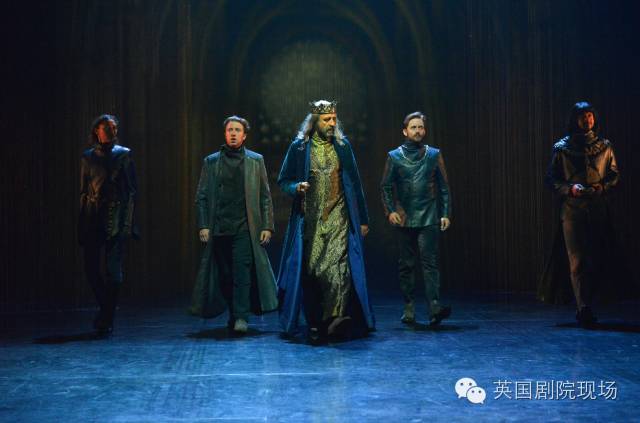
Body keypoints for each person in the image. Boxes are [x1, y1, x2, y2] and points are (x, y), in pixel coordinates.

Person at [277, 100, 375, 344]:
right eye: (326, 119)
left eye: (334, 119)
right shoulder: (300, 147)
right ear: (315, 122)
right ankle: (316, 321)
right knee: (313, 270)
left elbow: (355, 183)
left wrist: (363, 219)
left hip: (339, 217)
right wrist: (296, 187)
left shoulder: (342, 146)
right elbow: (283, 180)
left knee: (339, 267)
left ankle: (336, 317)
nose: (332, 123)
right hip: (310, 221)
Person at [189, 115, 278, 333]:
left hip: (245, 227)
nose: (233, 134)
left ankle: (241, 317)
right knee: (225, 275)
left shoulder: (255, 161)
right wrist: (203, 225)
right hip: (219, 227)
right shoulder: (212, 162)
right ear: (225, 133)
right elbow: (201, 196)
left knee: (242, 272)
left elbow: (265, 196)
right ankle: (233, 312)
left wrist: (267, 226)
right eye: (230, 130)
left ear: (244, 135)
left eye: (238, 130)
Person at [540, 101, 620, 327]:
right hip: (572, 210)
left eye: (590, 116)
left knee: (596, 258)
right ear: (575, 119)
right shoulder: (562, 148)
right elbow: (551, 179)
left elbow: (614, 174)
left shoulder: (605, 146)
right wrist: (570, 189)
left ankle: (589, 303)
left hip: (597, 209)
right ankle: (582, 306)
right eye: (583, 116)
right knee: (577, 260)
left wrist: (601, 187)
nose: (588, 120)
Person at [380, 111, 452, 326]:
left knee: (430, 263)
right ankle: (409, 307)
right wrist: (390, 211)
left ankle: (434, 307)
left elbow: (444, 187)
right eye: (413, 127)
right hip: (404, 217)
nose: (418, 131)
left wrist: (445, 213)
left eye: (420, 127)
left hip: (428, 215)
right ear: (405, 131)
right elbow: (385, 186)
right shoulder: (394, 156)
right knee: (406, 264)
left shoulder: (433, 154)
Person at [79, 114, 137, 335]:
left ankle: (106, 317)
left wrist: (128, 223)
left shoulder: (124, 154)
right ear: (97, 131)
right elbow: (84, 192)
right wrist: (81, 223)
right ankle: (106, 310)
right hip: (93, 217)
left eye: (114, 128)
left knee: (113, 271)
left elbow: (131, 192)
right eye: (107, 127)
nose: (111, 131)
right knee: (91, 268)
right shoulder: (87, 157)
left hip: (116, 216)